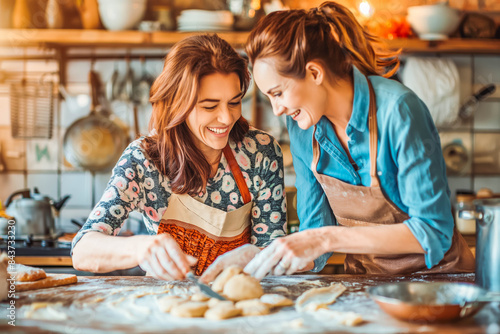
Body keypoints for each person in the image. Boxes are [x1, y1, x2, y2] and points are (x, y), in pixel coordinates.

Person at [238, 1, 475, 278]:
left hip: (439, 283)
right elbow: (314, 240)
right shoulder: (303, 128)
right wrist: (261, 256)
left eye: (278, 93)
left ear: (314, 73)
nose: (277, 110)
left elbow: (433, 231)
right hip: (368, 286)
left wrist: (327, 238)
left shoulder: (398, 110)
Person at [71, 34, 287, 280]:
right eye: (209, 106)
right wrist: (140, 248)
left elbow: (273, 252)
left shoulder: (260, 152)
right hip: (167, 306)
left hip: (240, 303)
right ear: (177, 104)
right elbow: (82, 250)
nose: (227, 118)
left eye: (234, 102)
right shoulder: (144, 160)